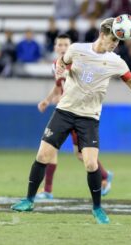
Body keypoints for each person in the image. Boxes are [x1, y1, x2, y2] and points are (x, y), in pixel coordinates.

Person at [11, 18, 131, 225]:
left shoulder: (117, 61)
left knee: (90, 163)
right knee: (43, 155)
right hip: (65, 111)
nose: (115, 44)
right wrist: (60, 68)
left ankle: (97, 208)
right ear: (102, 35)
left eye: (118, 41)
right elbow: (62, 63)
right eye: (112, 39)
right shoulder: (77, 49)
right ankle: (29, 199)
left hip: (89, 117)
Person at [36, 34, 113, 200]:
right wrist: (47, 100)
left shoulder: (78, 62)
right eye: (59, 45)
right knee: (52, 150)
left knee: (80, 154)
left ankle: (105, 176)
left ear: (70, 47)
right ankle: (48, 190)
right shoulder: (56, 66)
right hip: (64, 112)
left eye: (65, 45)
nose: (62, 48)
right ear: (55, 48)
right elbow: (59, 87)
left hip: (78, 113)